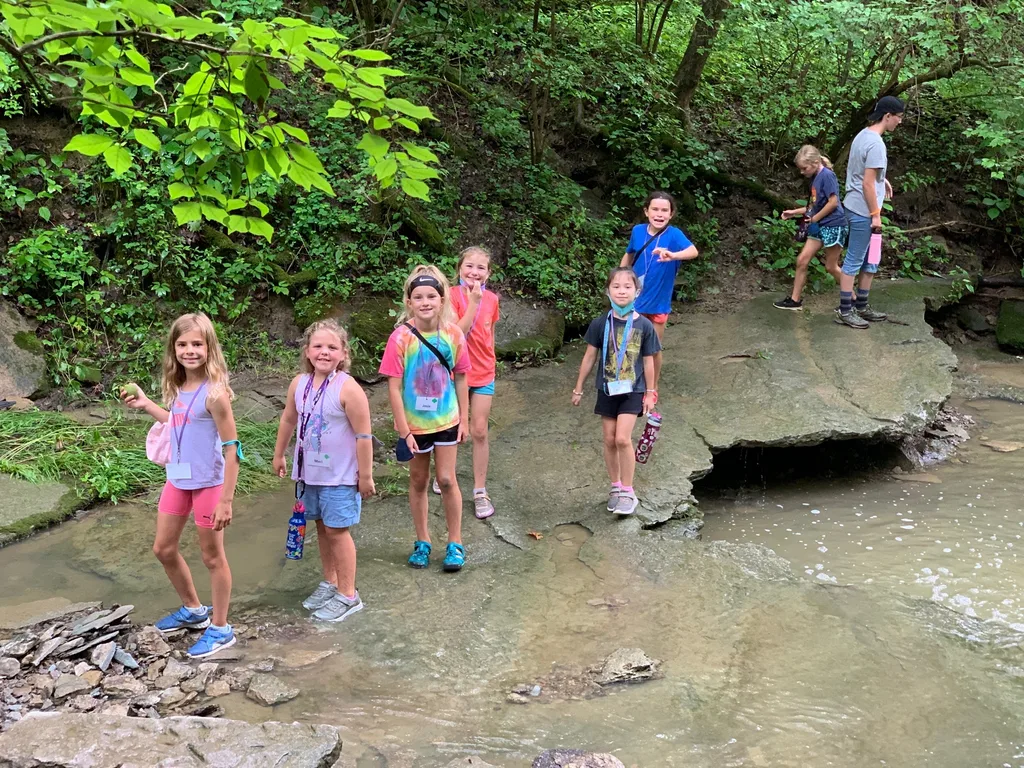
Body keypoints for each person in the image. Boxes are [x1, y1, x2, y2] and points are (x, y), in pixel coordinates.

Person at [121, 313, 241, 659]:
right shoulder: (178, 387)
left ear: (209, 348)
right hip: (178, 478)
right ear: (174, 349)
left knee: (212, 556)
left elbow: (233, 449)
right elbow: (178, 423)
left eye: (197, 344)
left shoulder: (215, 394)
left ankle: (220, 628)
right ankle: (193, 610)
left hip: (208, 484)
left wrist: (226, 500)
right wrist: (146, 405)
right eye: (183, 344)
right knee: (163, 548)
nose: (190, 350)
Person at [273, 319, 375, 622]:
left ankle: (348, 594)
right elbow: (289, 420)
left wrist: (366, 475)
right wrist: (280, 454)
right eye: (318, 346)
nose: (324, 352)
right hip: (309, 475)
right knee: (321, 527)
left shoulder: (349, 388)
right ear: (307, 351)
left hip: (341, 476)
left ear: (343, 353)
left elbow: (364, 435)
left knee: (337, 531)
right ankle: (330, 581)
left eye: (332, 347)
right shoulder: (299, 384)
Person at [380, 265, 471, 571]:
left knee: (447, 479)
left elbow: (461, 377)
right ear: (409, 302)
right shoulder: (400, 338)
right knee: (419, 481)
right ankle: (422, 541)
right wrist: (403, 429)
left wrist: (465, 420)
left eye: (431, 295)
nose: (425, 302)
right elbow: (393, 387)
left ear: (442, 299)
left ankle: (455, 543)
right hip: (414, 425)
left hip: (447, 420)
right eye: (418, 296)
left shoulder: (453, 334)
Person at [571, 267, 660, 516]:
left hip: (634, 389)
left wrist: (650, 392)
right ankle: (616, 486)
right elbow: (590, 357)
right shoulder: (601, 323)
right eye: (616, 287)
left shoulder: (644, 325)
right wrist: (578, 388)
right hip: (607, 388)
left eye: (627, 287)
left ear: (637, 292)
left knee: (622, 438)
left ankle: (629, 491)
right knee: (609, 440)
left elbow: (650, 360)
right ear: (608, 291)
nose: (622, 291)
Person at [432, 246, 500, 519]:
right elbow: (456, 333)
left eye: (480, 267)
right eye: (469, 266)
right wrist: (473, 301)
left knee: (480, 430)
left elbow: (490, 333)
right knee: (451, 428)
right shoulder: (450, 295)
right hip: (454, 373)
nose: (474, 272)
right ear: (459, 268)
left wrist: (491, 361)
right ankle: (444, 474)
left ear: (488, 273)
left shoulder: (493, 299)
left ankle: (480, 491)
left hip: (484, 372)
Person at [834, 95, 904, 329]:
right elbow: (865, 183)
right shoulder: (876, 144)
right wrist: (875, 214)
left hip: (857, 205)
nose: (900, 122)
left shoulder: (863, 135)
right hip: (863, 211)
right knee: (854, 259)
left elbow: (863, 173)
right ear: (887, 116)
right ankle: (845, 310)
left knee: (871, 259)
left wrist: (882, 181)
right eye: (899, 117)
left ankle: (861, 305)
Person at [620, 191, 698, 396]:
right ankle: (628, 382)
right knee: (629, 343)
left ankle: (652, 387)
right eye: (655, 209)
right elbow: (629, 254)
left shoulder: (674, 235)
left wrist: (673, 255)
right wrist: (620, 280)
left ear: (671, 214)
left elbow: (693, 251)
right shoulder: (637, 231)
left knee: (653, 348)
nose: (659, 214)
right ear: (646, 211)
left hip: (659, 303)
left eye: (665, 210)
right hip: (635, 300)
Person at [774, 146, 847, 311]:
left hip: (833, 225)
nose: (802, 172)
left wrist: (815, 218)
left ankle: (853, 299)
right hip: (819, 225)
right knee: (802, 260)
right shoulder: (815, 178)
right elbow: (814, 206)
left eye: (804, 168)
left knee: (831, 266)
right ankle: (795, 300)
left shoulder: (827, 176)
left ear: (815, 162)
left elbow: (833, 202)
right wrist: (794, 212)